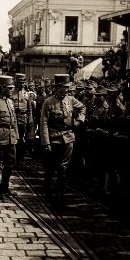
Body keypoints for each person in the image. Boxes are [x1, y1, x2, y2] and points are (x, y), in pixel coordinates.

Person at [40, 74, 85, 204]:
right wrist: (46, 142)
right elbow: (44, 123)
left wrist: (79, 121)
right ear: (59, 87)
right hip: (54, 139)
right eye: (66, 87)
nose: (68, 89)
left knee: (63, 169)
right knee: (50, 168)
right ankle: (47, 194)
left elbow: (82, 107)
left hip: (68, 138)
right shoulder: (49, 102)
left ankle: (60, 195)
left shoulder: (71, 99)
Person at [11, 73, 33, 160]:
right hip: (13, 117)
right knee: (14, 138)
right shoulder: (11, 92)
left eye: (23, 82)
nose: (22, 84)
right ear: (15, 82)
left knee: (21, 138)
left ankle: (19, 157)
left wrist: (30, 120)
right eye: (20, 82)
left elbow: (29, 109)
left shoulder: (27, 94)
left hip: (23, 118)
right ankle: (13, 157)